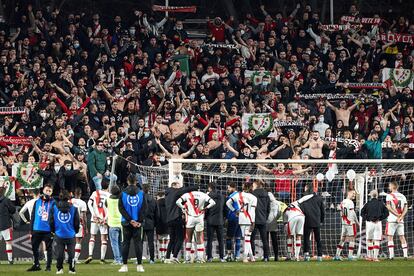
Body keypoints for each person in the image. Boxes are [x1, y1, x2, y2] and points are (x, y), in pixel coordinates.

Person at [176, 188, 216, 263]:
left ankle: (187, 259)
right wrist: (205, 208)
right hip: (200, 217)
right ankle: (200, 258)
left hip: (190, 217)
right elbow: (213, 202)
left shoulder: (187, 194)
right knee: (199, 237)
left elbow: (177, 202)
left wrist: (184, 208)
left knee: (189, 238)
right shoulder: (203, 194)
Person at [118, 174, 147, 273]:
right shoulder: (141, 193)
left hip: (126, 222)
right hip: (138, 224)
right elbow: (144, 208)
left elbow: (121, 209)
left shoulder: (122, 194)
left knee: (125, 244)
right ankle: (139, 266)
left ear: (127, 181)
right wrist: (138, 221)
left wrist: (130, 220)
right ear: (136, 181)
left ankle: (124, 266)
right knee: (138, 244)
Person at [165, 181, 197, 263]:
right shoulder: (175, 192)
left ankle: (167, 257)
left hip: (169, 219)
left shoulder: (167, 194)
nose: (180, 187)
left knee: (172, 239)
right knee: (180, 238)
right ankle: (174, 256)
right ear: (174, 186)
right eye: (179, 185)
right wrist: (196, 187)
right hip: (176, 218)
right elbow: (185, 190)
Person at [49, 190, 80, 274]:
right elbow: (77, 222)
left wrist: (53, 231)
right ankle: (72, 269)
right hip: (71, 234)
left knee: (59, 254)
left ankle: (59, 269)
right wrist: (75, 231)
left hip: (59, 233)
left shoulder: (54, 208)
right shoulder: (74, 208)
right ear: (68, 197)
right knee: (71, 254)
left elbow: (51, 221)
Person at [226, 182, 257, 263]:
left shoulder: (237, 195)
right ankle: (244, 257)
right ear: (250, 188)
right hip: (249, 219)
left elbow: (227, 203)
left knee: (246, 239)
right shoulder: (253, 197)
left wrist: (235, 211)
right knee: (247, 239)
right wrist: (253, 222)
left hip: (241, 218)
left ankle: (252, 257)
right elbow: (252, 211)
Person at [27, 184, 54, 271]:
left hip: (48, 230)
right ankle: (36, 265)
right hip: (36, 229)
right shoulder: (37, 202)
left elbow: (55, 217)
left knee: (48, 249)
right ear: (43, 191)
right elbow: (33, 216)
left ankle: (48, 267)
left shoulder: (54, 203)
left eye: (50, 191)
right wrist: (31, 230)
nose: (48, 192)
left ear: (52, 192)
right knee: (34, 248)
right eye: (46, 190)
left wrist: (53, 230)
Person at [85, 180, 110, 264]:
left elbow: (89, 203)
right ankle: (102, 258)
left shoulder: (95, 193)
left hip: (94, 219)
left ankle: (90, 255)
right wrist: (105, 218)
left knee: (92, 237)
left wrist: (93, 214)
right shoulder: (109, 195)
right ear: (108, 186)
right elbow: (110, 208)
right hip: (103, 220)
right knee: (104, 238)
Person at [361, 190, 389, 262]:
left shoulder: (367, 204)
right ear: (377, 195)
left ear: (370, 195)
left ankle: (369, 257)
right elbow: (387, 213)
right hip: (378, 223)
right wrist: (380, 218)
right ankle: (375, 257)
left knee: (369, 239)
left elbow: (362, 213)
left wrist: (367, 218)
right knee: (377, 240)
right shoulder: (381, 203)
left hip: (370, 223)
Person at [299, 185, 325, 262]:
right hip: (316, 221)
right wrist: (321, 221)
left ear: (306, 189)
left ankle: (306, 255)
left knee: (306, 238)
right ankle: (319, 256)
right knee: (318, 239)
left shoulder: (303, 199)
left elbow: (301, 210)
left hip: (307, 220)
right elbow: (322, 211)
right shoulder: (319, 198)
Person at [385, 181, 408, 259]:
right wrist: (401, 216)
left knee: (390, 237)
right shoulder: (403, 196)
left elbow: (388, 207)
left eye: (389, 186)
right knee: (402, 237)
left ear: (392, 186)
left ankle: (391, 256)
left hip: (392, 219)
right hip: (400, 220)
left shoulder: (389, 196)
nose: (389, 187)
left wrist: (397, 215)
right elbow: (406, 208)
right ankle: (405, 255)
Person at [334, 190, 359, 261]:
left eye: (354, 193)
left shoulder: (343, 201)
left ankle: (337, 255)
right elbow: (353, 213)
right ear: (348, 193)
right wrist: (357, 222)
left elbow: (341, 212)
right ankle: (350, 256)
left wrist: (344, 220)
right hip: (350, 223)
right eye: (353, 193)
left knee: (342, 239)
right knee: (352, 238)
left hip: (344, 223)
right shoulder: (350, 202)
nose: (354, 195)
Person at [205, 182, 226, 263]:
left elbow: (206, 209)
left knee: (209, 240)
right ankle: (221, 257)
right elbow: (225, 209)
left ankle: (209, 257)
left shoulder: (207, 196)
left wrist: (206, 217)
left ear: (210, 188)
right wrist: (224, 218)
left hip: (210, 221)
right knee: (221, 240)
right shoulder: (222, 196)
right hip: (220, 220)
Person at [251, 180, 270, 262]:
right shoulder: (267, 194)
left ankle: (253, 256)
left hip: (254, 219)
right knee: (264, 239)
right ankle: (266, 257)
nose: (252, 186)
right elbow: (268, 208)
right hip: (263, 219)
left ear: (256, 185)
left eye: (253, 185)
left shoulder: (252, 194)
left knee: (251, 239)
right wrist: (265, 217)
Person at [225, 183, 242, 261]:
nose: (228, 189)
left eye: (229, 188)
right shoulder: (240, 195)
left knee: (229, 237)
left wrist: (234, 210)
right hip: (241, 218)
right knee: (238, 237)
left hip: (233, 217)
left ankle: (229, 255)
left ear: (233, 188)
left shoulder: (232, 196)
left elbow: (227, 203)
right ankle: (237, 256)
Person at [106, 184, 123, 265]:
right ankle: (121, 259)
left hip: (112, 224)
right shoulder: (121, 200)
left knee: (114, 243)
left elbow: (106, 205)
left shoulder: (108, 200)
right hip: (121, 224)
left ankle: (117, 260)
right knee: (120, 243)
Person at [70, 188, 88, 263]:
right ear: (80, 193)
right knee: (78, 241)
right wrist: (86, 227)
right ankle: (75, 259)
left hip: (69, 223)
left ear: (74, 193)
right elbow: (84, 216)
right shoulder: (82, 203)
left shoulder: (70, 201)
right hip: (78, 223)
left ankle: (67, 258)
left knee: (67, 240)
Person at [0, 186, 16, 264]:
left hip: (4, 224)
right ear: (4, 192)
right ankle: (10, 260)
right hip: (5, 224)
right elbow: (13, 210)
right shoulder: (6, 200)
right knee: (8, 242)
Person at [142, 184, 157, 264]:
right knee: (151, 242)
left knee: (139, 242)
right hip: (150, 222)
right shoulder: (153, 200)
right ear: (149, 190)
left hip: (140, 223)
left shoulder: (140, 198)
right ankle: (152, 259)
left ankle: (139, 259)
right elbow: (156, 213)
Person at [266, 189, 283, 261]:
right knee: (274, 240)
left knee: (265, 240)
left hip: (266, 222)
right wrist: (276, 219)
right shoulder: (277, 203)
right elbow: (280, 213)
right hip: (274, 223)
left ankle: (266, 256)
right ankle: (276, 256)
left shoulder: (265, 202)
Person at [155, 191, 169, 262]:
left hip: (159, 223)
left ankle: (162, 256)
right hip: (167, 223)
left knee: (160, 241)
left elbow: (156, 214)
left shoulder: (156, 203)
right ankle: (166, 255)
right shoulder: (168, 202)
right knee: (166, 240)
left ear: (158, 196)